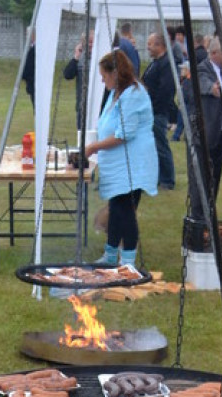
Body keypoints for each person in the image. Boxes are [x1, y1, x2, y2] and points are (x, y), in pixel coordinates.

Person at [84, 49, 157, 266]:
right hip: (118, 165)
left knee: (125, 213)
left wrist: (93, 147)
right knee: (115, 210)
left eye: (104, 75)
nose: (102, 80)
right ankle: (109, 255)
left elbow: (125, 133)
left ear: (115, 73)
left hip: (132, 164)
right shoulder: (117, 93)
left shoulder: (133, 95)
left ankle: (128, 262)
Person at [184, 35, 222, 213]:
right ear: (214, 53)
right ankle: (199, 217)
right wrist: (211, 88)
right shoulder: (202, 69)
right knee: (201, 180)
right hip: (205, 134)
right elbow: (198, 83)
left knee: (215, 177)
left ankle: (210, 211)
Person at [142, 32, 175, 190]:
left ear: (159, 45)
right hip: (149, 111)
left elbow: (166, 90)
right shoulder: (155, 63)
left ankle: (167, 179)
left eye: (150, 44)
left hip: (157, 112)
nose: (147, 47)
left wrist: (153, 107)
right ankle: (155, 176)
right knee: (152, 146)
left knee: (161, 146)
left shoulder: (166, 63)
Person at [63, 32, 94, 130]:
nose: (90, 45)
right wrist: (76, 57)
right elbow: (67, 75)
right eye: (88, 42)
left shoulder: (102, 58)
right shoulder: (80, 58)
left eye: (92, 42)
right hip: (82, 105)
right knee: (81, 133)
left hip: (97, 104)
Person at [21, 33, 35, 110]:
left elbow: (28, 68)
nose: (27, 37)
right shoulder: (32, 49)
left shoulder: (33, 50)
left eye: (28, 34)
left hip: (33, 83)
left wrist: (23, 75)